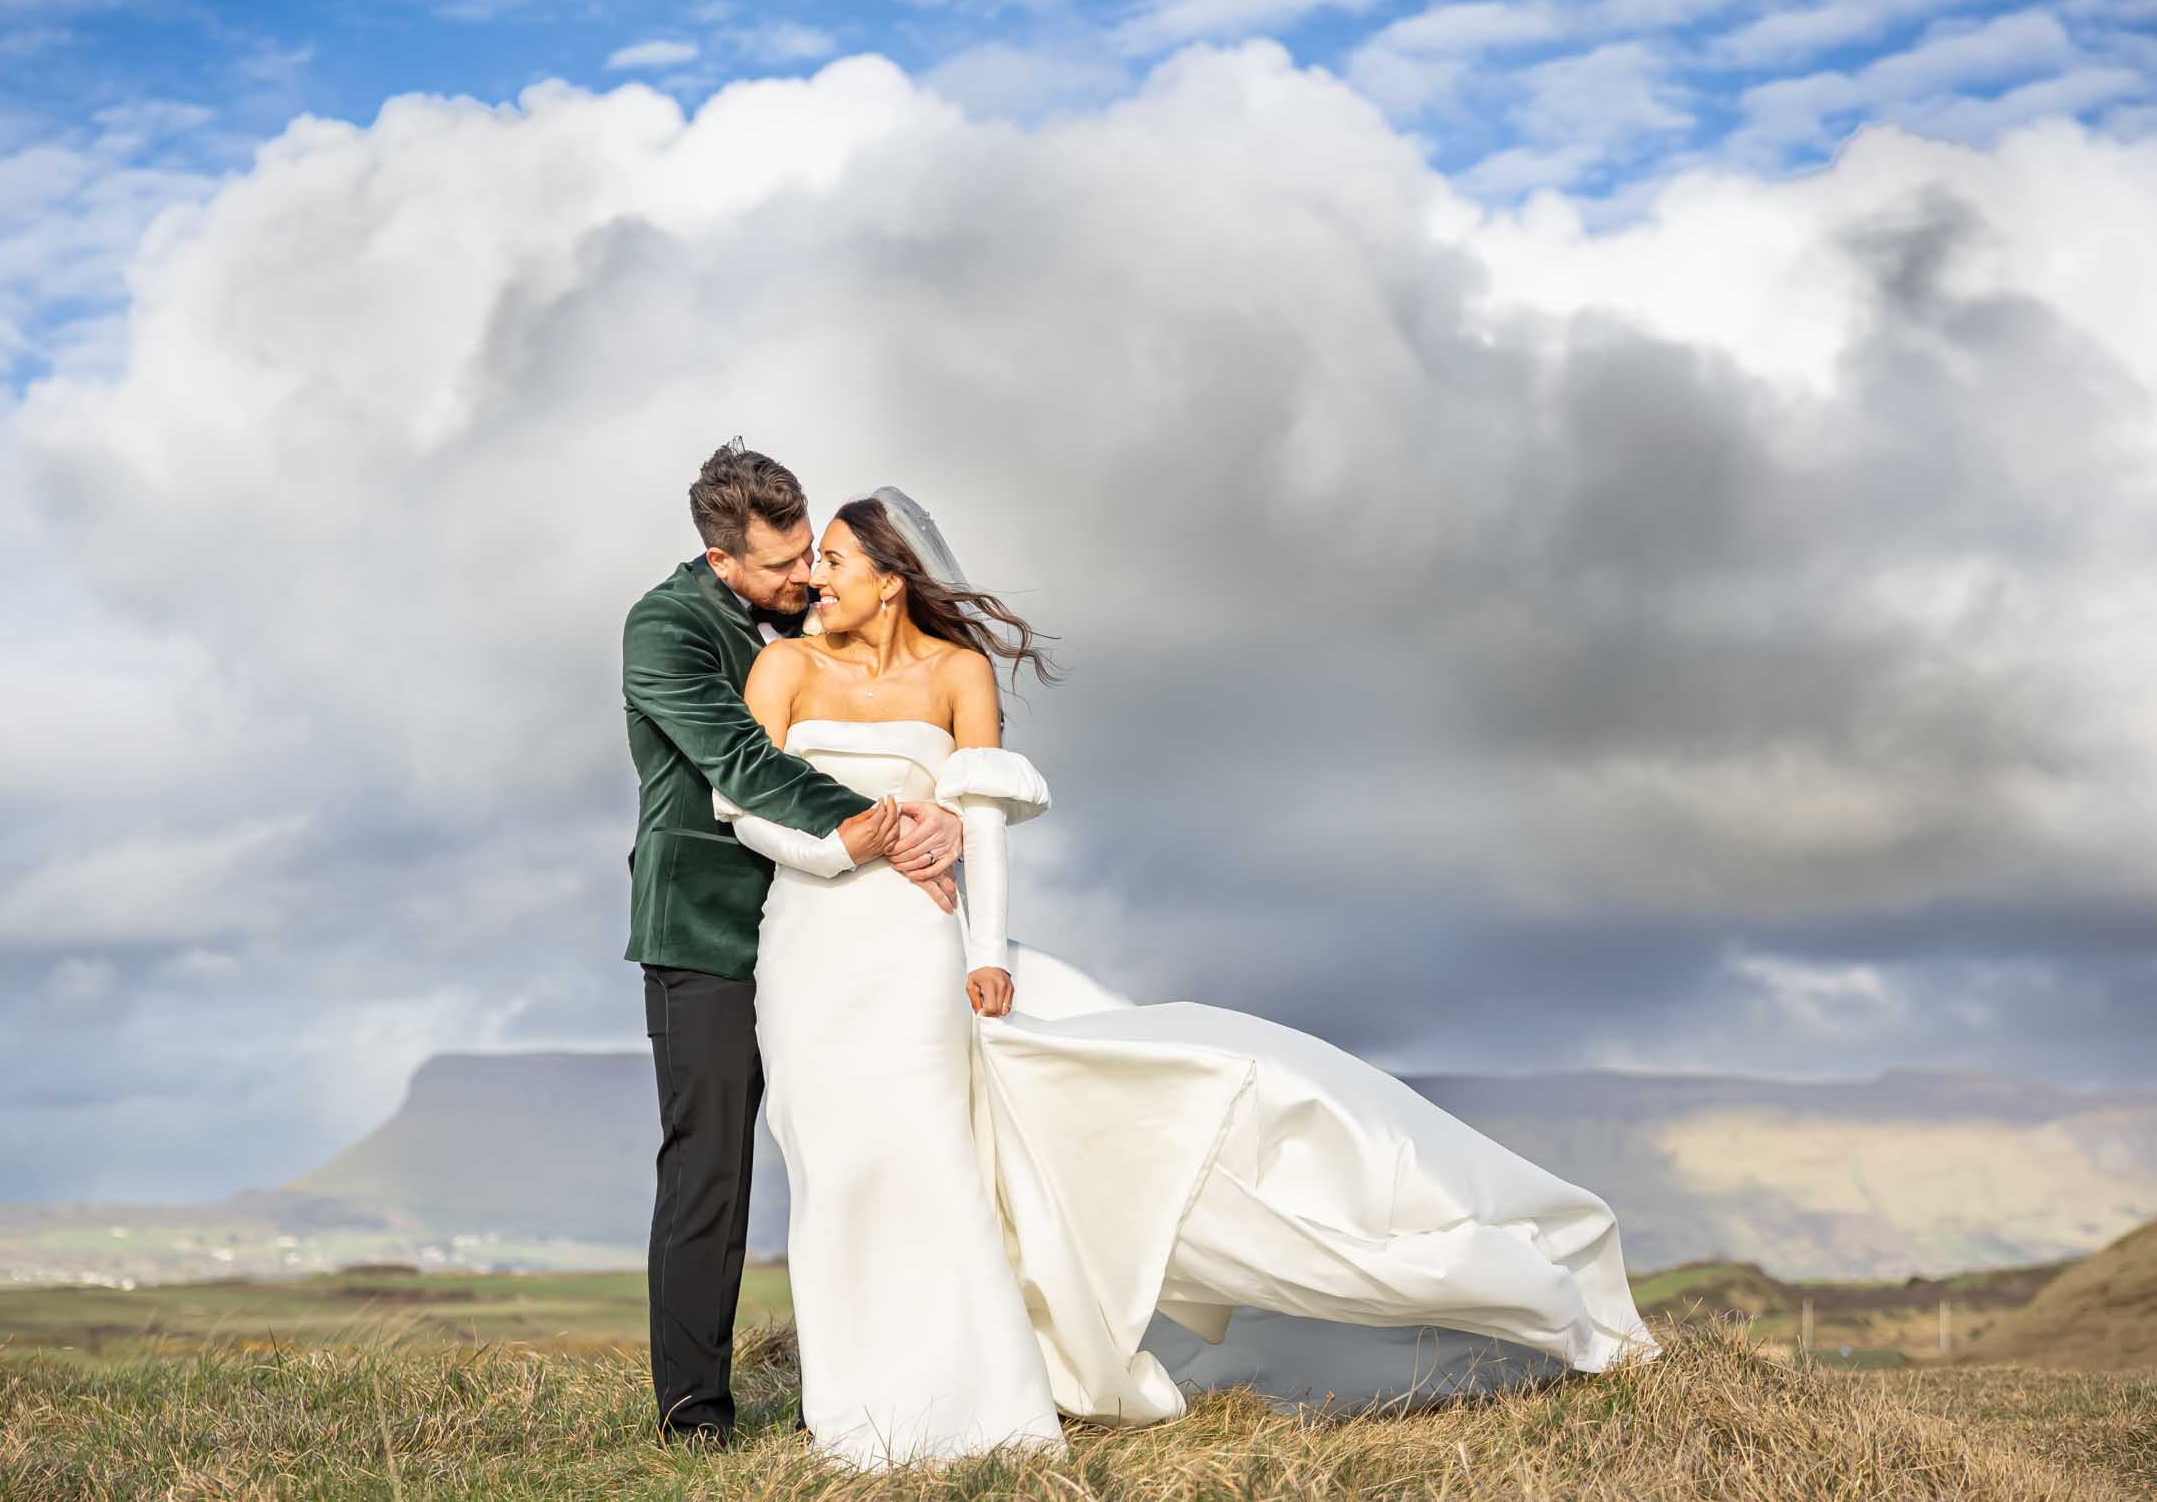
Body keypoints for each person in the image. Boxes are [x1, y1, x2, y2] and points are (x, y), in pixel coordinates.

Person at [711, 487, 1662, 1470]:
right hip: (807, 945)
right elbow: (739, 803)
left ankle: (973, 1408)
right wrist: (846, 840)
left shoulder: (957, 671)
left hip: (919, 943)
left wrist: (987, 954)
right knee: (833, 1165)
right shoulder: (783, 666)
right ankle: (853, 1410)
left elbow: (982, 828)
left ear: (890, 575)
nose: (811, 576)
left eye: (830, 558)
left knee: (923, 1155)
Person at [619, 441, 969, 1446]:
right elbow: (737, 760)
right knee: (712, 1168)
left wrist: (941, 809)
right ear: (720, 560)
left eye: (809, 553)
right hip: (708, 930)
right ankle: (695, 1412)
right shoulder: (663, 626)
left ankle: (885, 1387)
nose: (804, 575)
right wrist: (895, 822)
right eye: (778, 566)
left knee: (865, 1153)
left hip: (831, 934)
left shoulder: (818, 622)